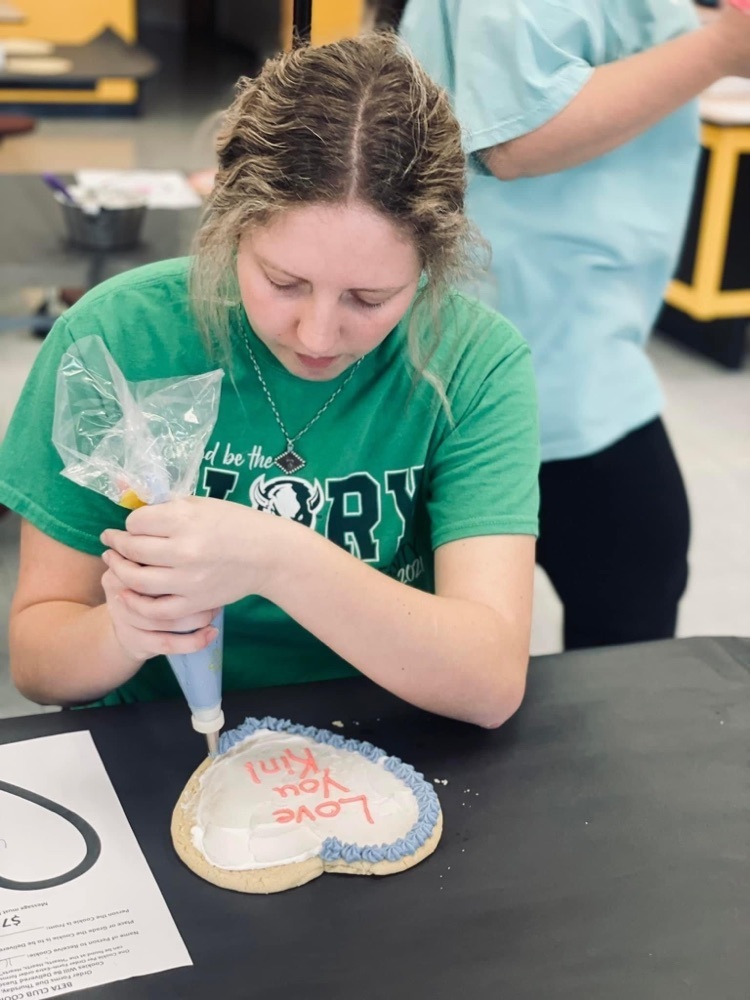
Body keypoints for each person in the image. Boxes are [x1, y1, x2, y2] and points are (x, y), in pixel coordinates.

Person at [0, 33, 540, 728]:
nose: (317, 336)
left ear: (430, 268)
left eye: (369, 299)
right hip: (162, 737)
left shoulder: (472, 362)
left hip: (384, 734)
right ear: (227, 223)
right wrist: (122, 632)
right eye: (283, 282)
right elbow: (39, 663)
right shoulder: (119, 338)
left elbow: (489, 683)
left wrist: (275, 559)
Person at [400, 0, 750, 649]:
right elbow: (515, 133)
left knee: (634, 589)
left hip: (577, 347)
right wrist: (725, 48)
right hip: (502, 358)